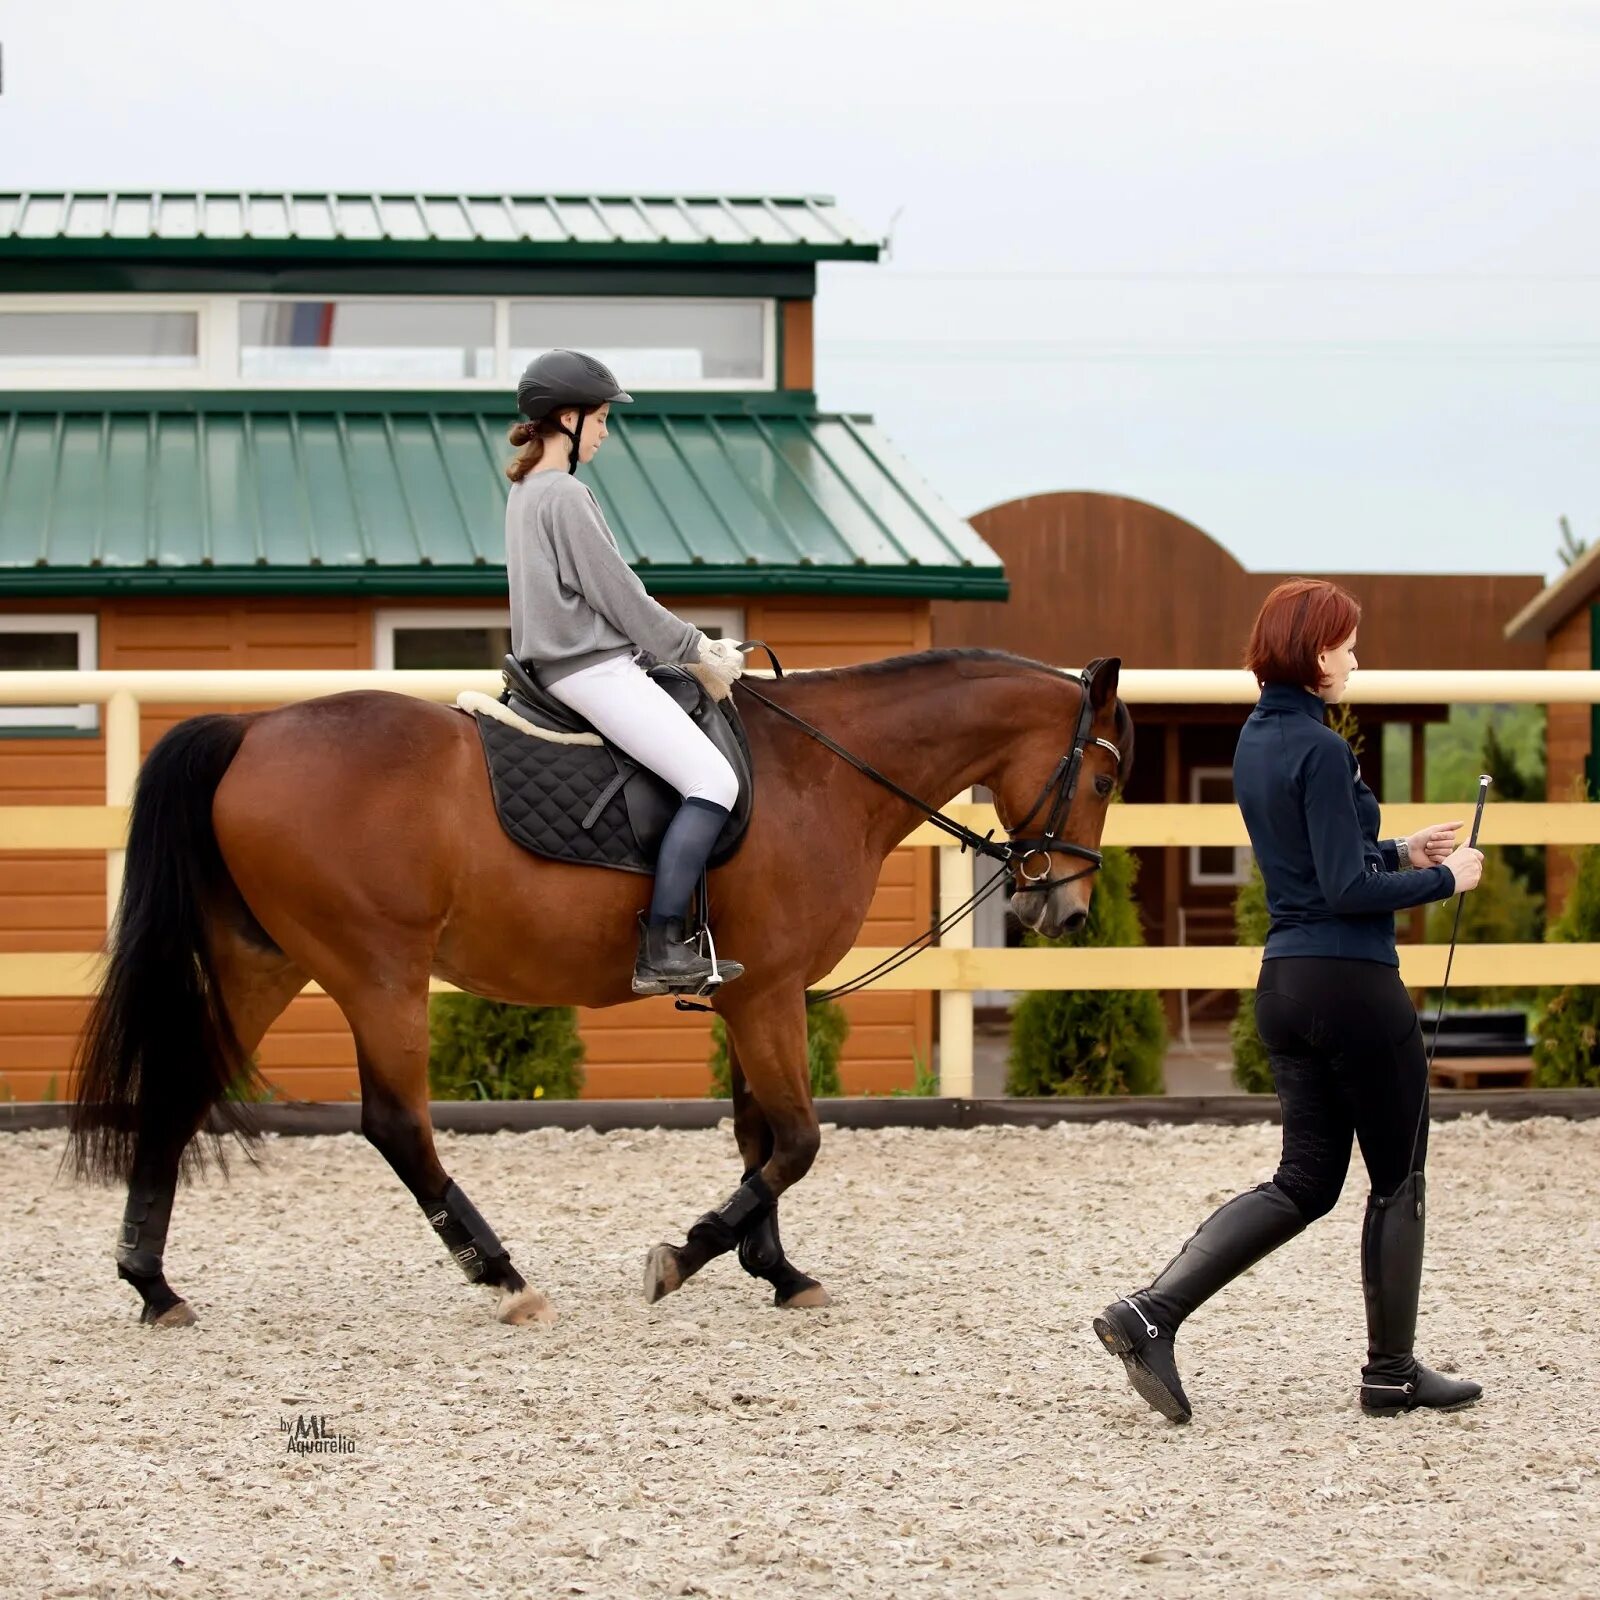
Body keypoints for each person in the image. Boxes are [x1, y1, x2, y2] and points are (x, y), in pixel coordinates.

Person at [1093, 578, 1485, 1421]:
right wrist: (1442, 878)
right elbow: (1345, 888)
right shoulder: (1324, 747)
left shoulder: (1258, 740)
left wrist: (1398, 846)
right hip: (1353, 986)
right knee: (1398, 1180)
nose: (1354, 657)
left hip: (1286, 985)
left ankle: (1150, 1311)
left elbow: (1319, 860)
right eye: (1346, 644)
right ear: (1314, 652)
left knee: (1304, 1182)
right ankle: (1392, 1374)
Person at [504, 348, 747, 997]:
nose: (607, 429)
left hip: (561, 666)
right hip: (590, 669)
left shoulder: (526, 491)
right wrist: (698, 649)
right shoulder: (565, 494)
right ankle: (662, 945)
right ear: (568, 418)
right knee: (713, 780)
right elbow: (621, 596)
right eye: (603, 416)